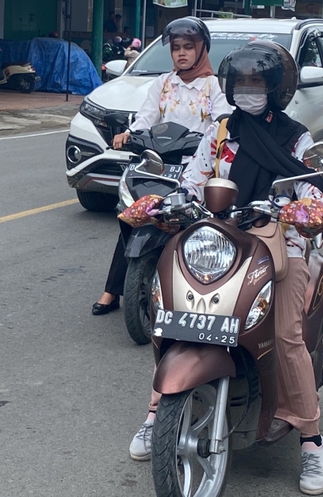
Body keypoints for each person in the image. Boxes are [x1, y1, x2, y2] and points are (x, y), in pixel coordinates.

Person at [132, 41, 323, 497]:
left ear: (277, 89)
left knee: (286, 336)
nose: (248, 92)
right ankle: (155, 412)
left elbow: (312, 192)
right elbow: (193, 179)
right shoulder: (220, 132)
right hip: (217, 239)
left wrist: (301, 209)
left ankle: (311, 439)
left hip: (278, 241)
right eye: (240, 83)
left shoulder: (295, 137)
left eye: (257, 84)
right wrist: (171, 200)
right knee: (176, 321)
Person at [94, 17, 228, 318]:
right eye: (176, 48)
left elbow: (222, 121)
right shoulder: (164, 83)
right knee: (134, 217)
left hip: (196, 168)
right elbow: (145, 118)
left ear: (202, 49)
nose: (181, 53)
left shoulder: (213, 86)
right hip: (158, 164)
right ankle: (113, 289)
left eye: (188, 47)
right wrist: (130, 134)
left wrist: (219, 137)